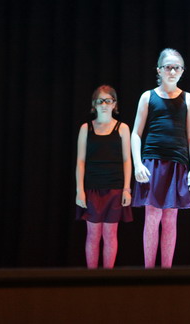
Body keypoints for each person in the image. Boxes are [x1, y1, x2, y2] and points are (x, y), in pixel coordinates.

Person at [132, 48, 190, 268]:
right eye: (168, 67)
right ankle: (149, 272)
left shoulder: (188, 99)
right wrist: (137, 164)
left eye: (177, 68)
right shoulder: (148, 96)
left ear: (182, 71)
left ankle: (167, 273)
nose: (172, 72)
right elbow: (136, 133)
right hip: (152, 162)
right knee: (152, 218)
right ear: (159, 70)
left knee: (170, 219)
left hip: (177, 164)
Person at [75, 85, 133, 268]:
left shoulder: (122, 128)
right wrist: (79, 190)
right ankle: (92, 277)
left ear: (114, 104)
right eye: (100, 101)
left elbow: (127, 160)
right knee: (93, 234)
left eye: (108, 101)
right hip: (92, 188)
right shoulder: (86, 128)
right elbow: (80, 161)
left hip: (115, 188)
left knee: (110, 234)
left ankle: (108, 276)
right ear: (94, 104)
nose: (104, 105)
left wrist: (127, 189)